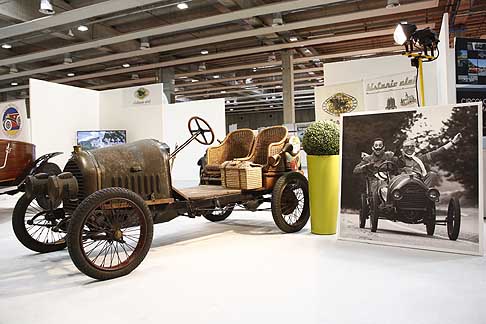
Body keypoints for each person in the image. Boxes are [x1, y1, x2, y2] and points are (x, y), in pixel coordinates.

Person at [397, 133, 462, 187]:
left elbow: (437, 152)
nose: (409, 148)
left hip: (419, 183)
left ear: (414, 148)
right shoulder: (398, 159)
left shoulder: (420, 158)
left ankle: (425, 195)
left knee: (432, 174)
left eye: (412, 146)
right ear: (403, 148)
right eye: (407, 146)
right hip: (402, 184)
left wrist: (452, 142)